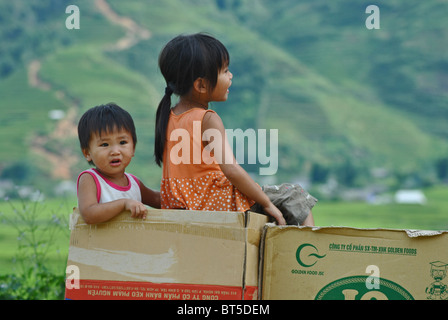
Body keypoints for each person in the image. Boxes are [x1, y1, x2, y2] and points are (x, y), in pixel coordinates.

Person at [154, 33, 316, 226]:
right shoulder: (207, 118)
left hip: (186, 206)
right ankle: (307, 251)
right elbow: (231, 170)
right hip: (217, 204)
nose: (230, 76)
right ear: (201, 85)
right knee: (296, 198)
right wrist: (266, 203)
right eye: (225, 71)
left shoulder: (168, 117)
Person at [77, 103, 160, 224]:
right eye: (104, 144)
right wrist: (123, 204)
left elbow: (158, 200)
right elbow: (89, 214)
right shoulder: (90, 179)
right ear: (87, 153)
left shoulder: (134, 183)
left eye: (122, 142)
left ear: (133, 148)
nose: (115, 151)